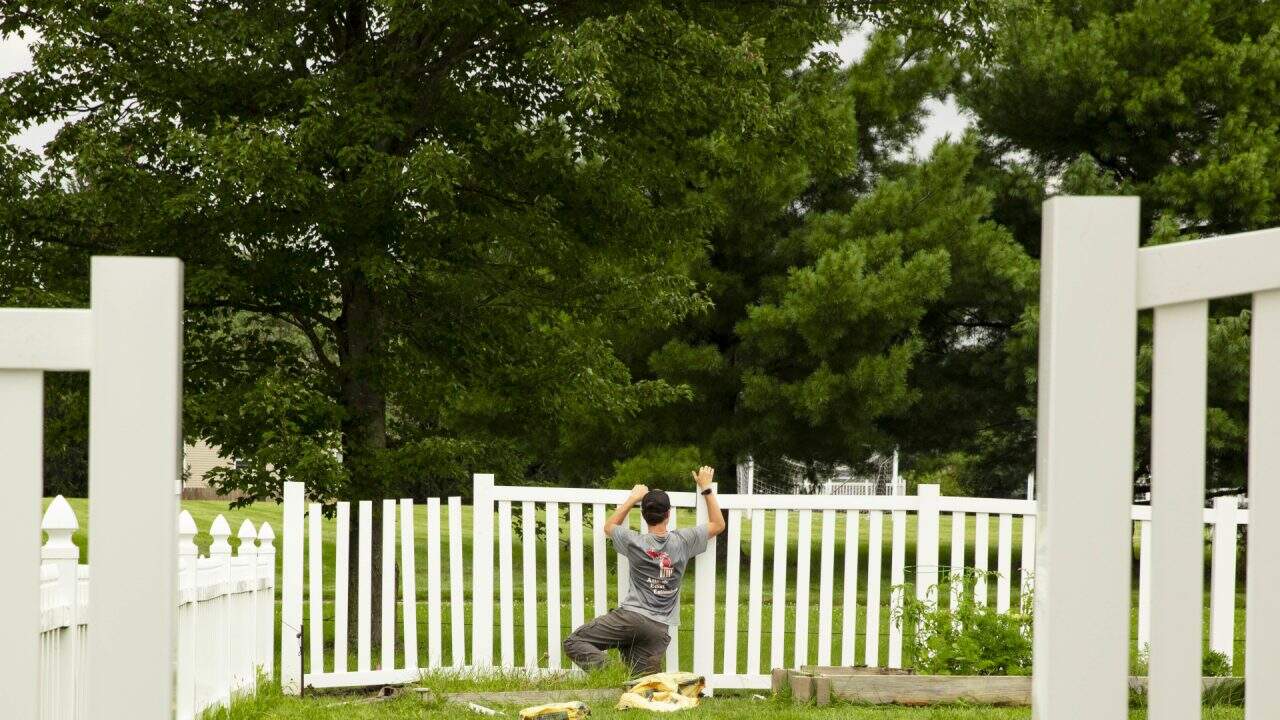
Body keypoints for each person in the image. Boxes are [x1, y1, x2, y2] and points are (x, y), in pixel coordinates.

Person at [562, 466, 725, 676]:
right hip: (658, 630)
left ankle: (613, 675)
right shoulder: (683, 541)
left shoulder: (634, 542)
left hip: (631, 618)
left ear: (644, 515)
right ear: (668, 514)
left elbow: (609, 526)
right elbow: (718, 524)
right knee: (643, 685)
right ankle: (623, 679)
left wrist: (632, 498)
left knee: (574, 642)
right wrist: (706, 488)